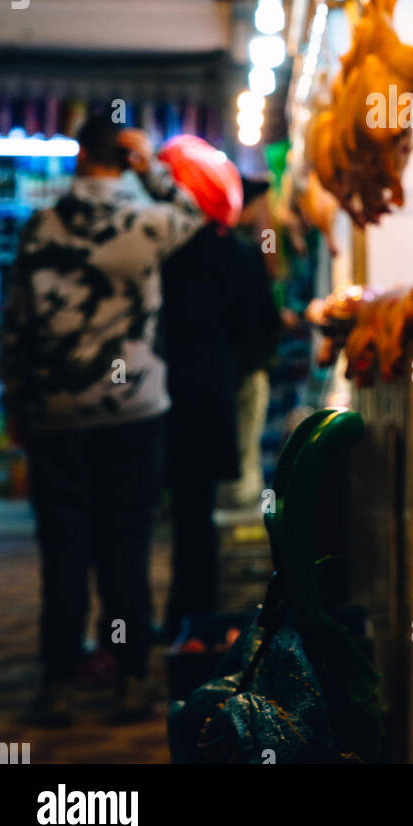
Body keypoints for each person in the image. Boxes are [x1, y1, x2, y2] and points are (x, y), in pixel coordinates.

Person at [0, 116, 204, 725]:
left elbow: (15, 326)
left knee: (63, 550)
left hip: (57, 414)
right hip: (134, 411)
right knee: (126, 546)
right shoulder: (147, 220)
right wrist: (155, 172)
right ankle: (131, 675)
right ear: (123, 158)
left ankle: (59, 683)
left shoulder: (41, 228)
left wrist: (17, 403)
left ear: (76, 158)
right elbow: (197, 213)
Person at [160, 201, 279, 636]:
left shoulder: (166, 252)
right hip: (215, 392)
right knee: (203, 512)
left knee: (186, 512)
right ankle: (202, 613)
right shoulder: (238, 253)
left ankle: (181, 614)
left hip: (166, 395)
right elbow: (258, 323)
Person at [217, 176, 282, 513]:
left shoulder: (213, 249)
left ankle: (230, 520)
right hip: (248, 366)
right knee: (245, 448)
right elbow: (263, 311)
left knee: (235, 447)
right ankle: (238, 520)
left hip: (223, 369)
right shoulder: (245, 253)